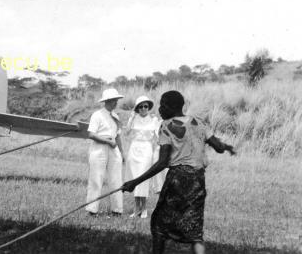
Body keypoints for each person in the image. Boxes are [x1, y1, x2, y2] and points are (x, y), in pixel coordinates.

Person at [122, 90, 236, 254]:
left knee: (159, 225)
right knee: (195, 229)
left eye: (162, 105)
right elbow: (218, 147)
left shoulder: (166, 126)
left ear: (170, 107)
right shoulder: (199, 123)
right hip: (198, 180)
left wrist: (135, 182)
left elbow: (162, 163)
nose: (160, 109)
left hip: (178, 179)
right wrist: (227, 147)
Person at [85, 88, 125, 217]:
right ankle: (92, 209)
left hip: (114, 149)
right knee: (96, 178)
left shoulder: (115, 116)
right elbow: (91, 134)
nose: (116, 103)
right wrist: (107, 141)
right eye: (114, 100)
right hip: (99, 149)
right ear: (107, 101)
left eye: (116, 100)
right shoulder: (97, 115)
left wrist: (122, 152)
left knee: (116, 179)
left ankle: (117, 210)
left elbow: (117, 136)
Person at [125, 95, 161, 218]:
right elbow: (127, 132)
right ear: (137, 108)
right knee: (135, 178)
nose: (143, 109)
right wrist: (131, 117)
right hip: (134, 149)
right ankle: (136, 208)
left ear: (149, 107)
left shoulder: (154, 120)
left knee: (143, 178)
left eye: (146, 106)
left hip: (146, 149)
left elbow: (158, 136)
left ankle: (144, 208)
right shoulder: (133, 118)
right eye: (140, 107)